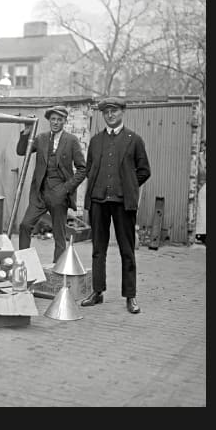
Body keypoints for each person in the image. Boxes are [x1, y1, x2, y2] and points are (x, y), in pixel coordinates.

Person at [81, 97, 151, 314]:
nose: (110, 115)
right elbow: (90, 169)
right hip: (98, 201)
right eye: (106, 112)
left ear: (122, 112)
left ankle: (130, 296)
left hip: (123, 203)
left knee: (127, 250)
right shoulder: (96, 141)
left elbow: (144, 170)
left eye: (114, 111)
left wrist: (128, 186)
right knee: (97, 250)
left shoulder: (134, 139)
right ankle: (97, 291)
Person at [16, 105, 86, 264]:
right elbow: (21, 151)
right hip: (39, 194)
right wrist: (26, 131)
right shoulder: (40, 138)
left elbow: (82, 169)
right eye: (53, 119)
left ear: (64, 121)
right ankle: (24, 265)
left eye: (59, 120)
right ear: (49, 120)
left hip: (59, 194)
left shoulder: (71, 140)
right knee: (25, 225)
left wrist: (66, 189)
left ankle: (57, 272)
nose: (55, 122)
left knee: (59, 234)